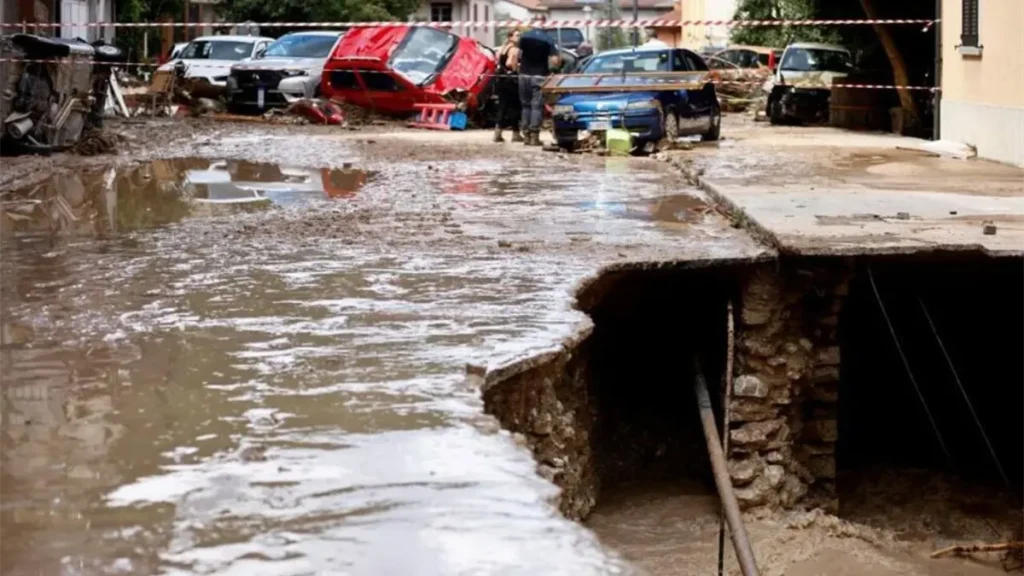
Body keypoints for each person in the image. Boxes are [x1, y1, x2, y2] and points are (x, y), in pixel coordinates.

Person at [509, 27, 560, 147]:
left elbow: (515, 55)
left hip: (524, 75)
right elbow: (555, 61)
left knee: (525, 106)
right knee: (536, 107)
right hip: (539, 76)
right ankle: (534, 136)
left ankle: (526, 135)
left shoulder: (524, 37)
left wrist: (516, 69)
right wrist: (557, 64)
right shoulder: (548, 39)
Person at [494, 29, 523, 143]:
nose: (519, 37)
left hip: (501, 80)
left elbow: (498, 61)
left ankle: (498, 133)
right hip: (511, 81)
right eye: (517, 35)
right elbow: (509, 63)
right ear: (511, 37)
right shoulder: (514, 49)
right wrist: (517, 68)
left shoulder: (503, 47)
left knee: (502, 107)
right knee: (514, 107)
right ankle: (516, 134)